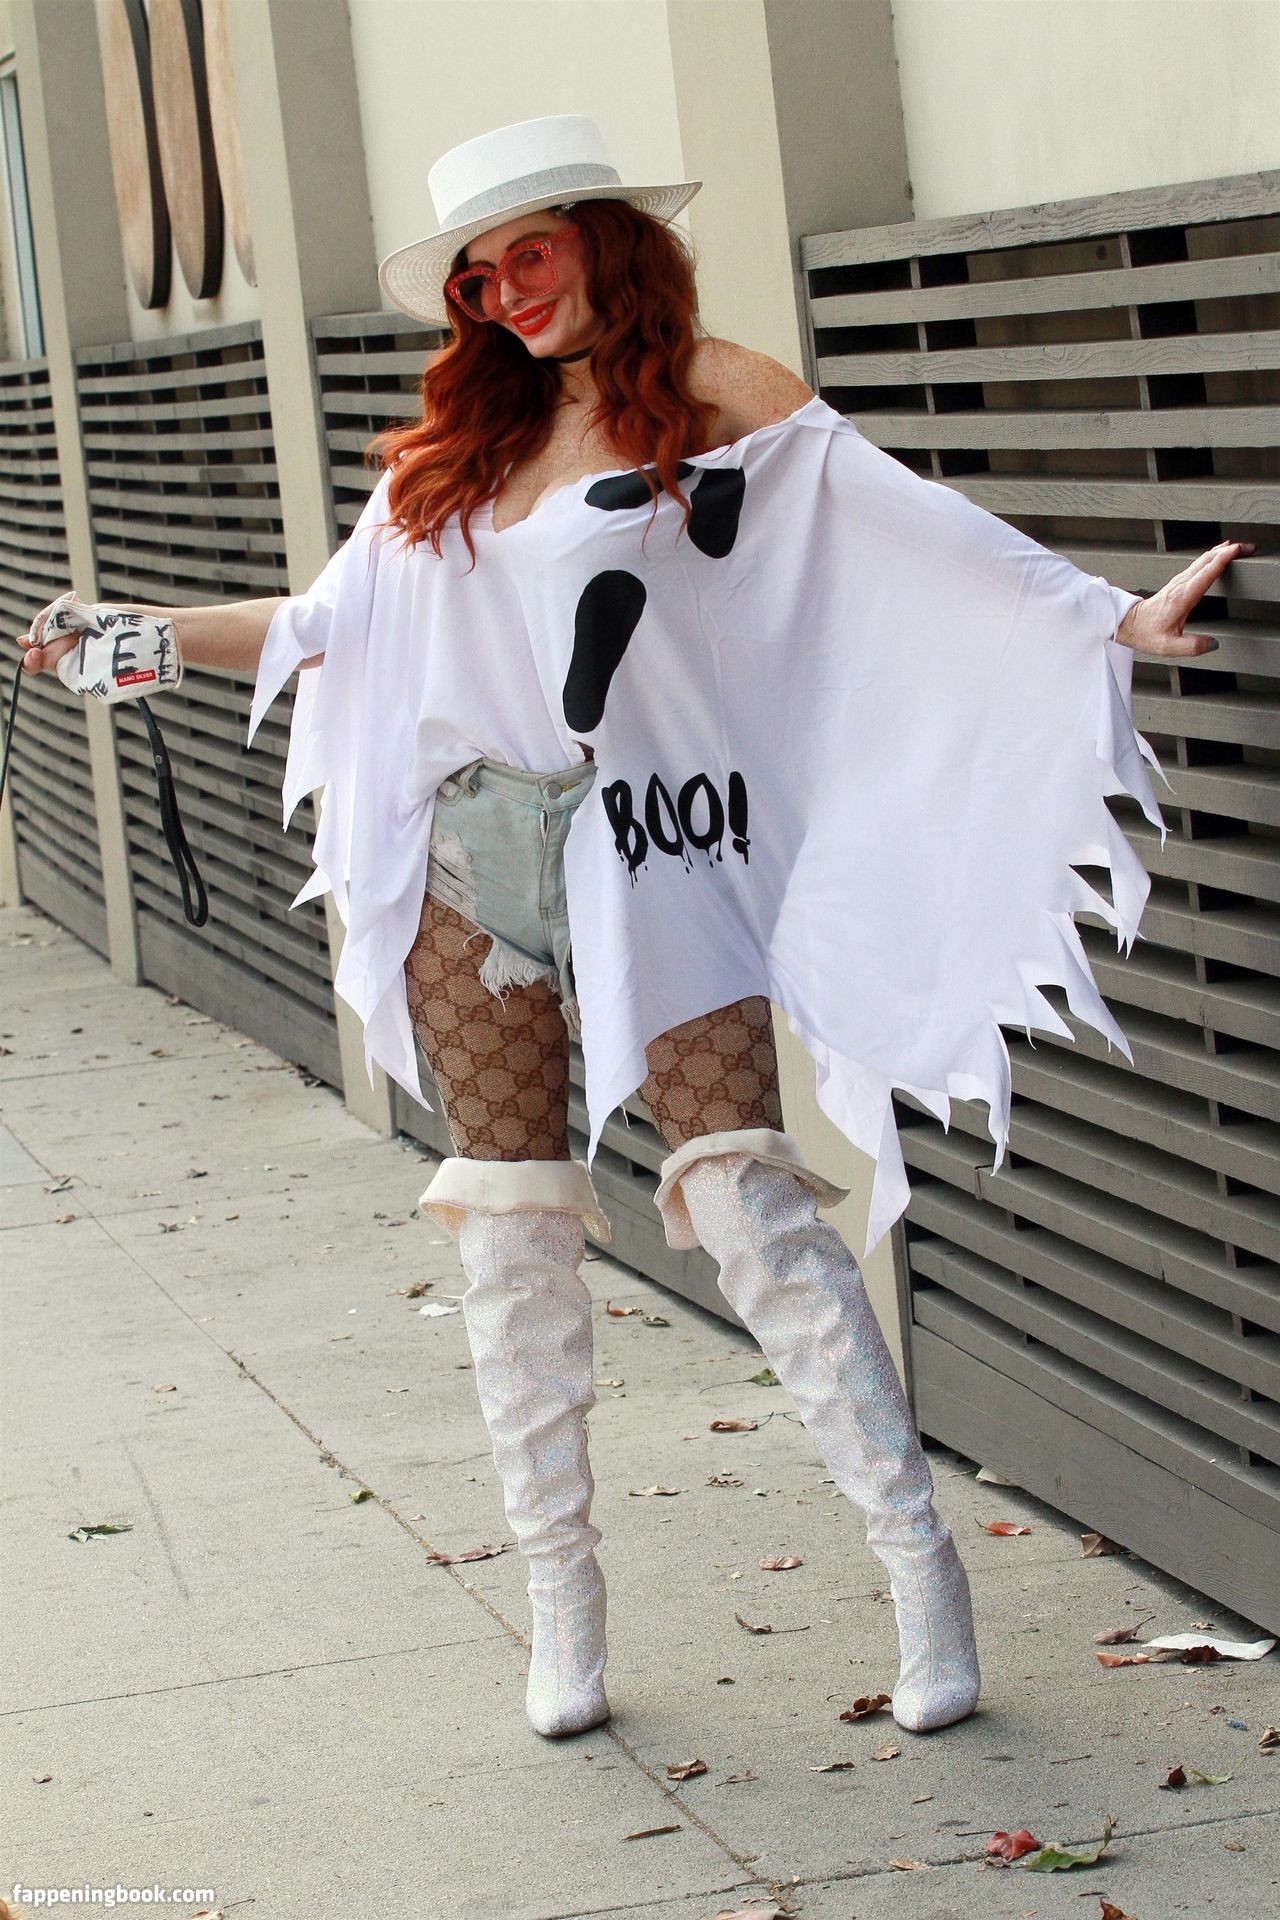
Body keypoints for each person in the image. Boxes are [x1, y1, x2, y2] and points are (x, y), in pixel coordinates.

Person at [16, 113, 1249, 1747]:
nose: (506, 292)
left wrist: (1108, 619)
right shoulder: (451, 451)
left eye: (528, 253)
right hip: (476, 860)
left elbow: (902, 534)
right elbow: (325, 629)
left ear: (605, 239)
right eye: (477, 276)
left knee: (746, 1200)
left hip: (658, 845)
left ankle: (920, 1574)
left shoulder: (720, 395)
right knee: (512, 1229)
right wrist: (140, 639)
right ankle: (562, 1609)